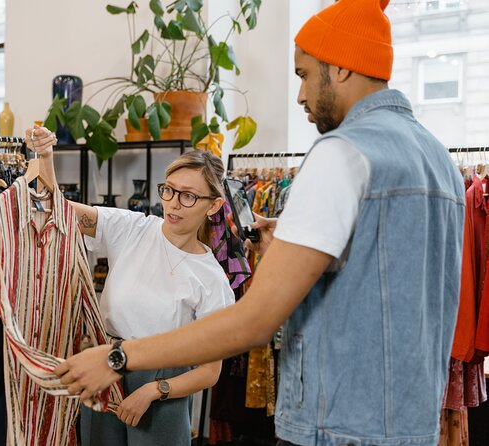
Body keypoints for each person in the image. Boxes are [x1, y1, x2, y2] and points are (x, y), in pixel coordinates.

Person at [54, 0, 466, 445]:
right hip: (408, 423)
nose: (301, 96)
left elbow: (254, 321)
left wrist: (117, 358)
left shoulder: (343, 154)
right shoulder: (436, 158)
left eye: (305, 75)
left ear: (342, 68)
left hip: (336, 422)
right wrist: (286, 256)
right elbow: (386, 289)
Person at [25, 126, 235, 445]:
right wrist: (45, 156)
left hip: (163, 379)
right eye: (168, 190)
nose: (174, 203)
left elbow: (210, 371)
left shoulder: (211, 279)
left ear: (214, 205)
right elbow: (59, 211)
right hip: (106, 364)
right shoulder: (134, 228)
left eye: (188, 196)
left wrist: (154, 390)